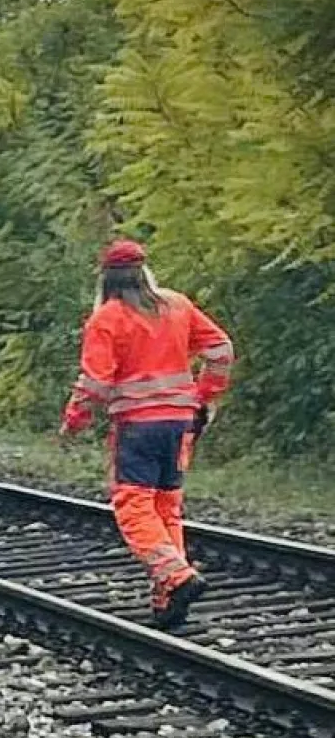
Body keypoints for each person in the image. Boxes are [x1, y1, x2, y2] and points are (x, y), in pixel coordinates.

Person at [60, 239, 234, 629]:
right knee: (166, 505)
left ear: (106, 279)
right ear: (145, 272)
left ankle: (178, 577)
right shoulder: (177, 305)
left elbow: (96, 385)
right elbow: (221, 350)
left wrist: (74, 421)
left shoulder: (107, 318)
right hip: (179, 424)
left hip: (138, 427)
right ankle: (168, 595)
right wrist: (204, 397)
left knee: (134, 506)